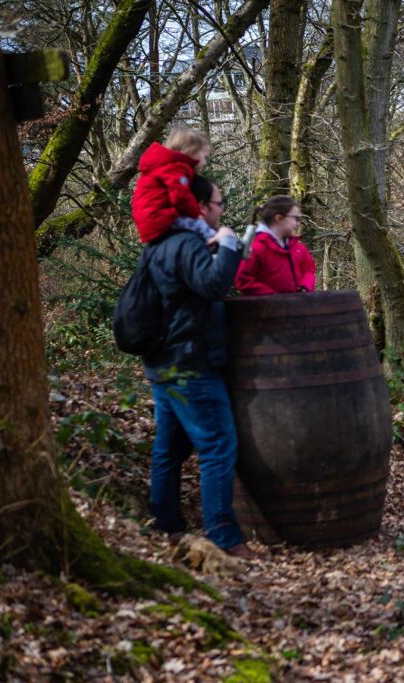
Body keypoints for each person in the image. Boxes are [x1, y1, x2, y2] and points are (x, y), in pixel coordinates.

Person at [143, 173, 256, 560]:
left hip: (163, 361)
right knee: (218, 445)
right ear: (204, 207)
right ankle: (224, 538)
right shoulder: (188, 244)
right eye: (219, 205)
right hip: (190, 363)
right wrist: (227, 246)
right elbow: (212, 286)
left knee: (169, 450)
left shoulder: (159, 243)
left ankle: (169, 528)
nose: (222, 211)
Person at [131, 127, 212, 244]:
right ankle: (215, 242)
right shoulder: (175, 169)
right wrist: (196, 213)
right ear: (191, 152)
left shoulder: (162, 166)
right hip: (159, 218)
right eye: (203, 156)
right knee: (201, 226)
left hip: (148, 221)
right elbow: (180, 196)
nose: (204, 162)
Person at [235, 195, 317, 295]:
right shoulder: (255, 247)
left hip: (297, 307)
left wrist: (305, 286)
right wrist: (274, 298)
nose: (298, 223)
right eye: (296, 218)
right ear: (279, 218)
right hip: (265, 308)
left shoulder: (298, 248)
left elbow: (308, 270)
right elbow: (243, 280)